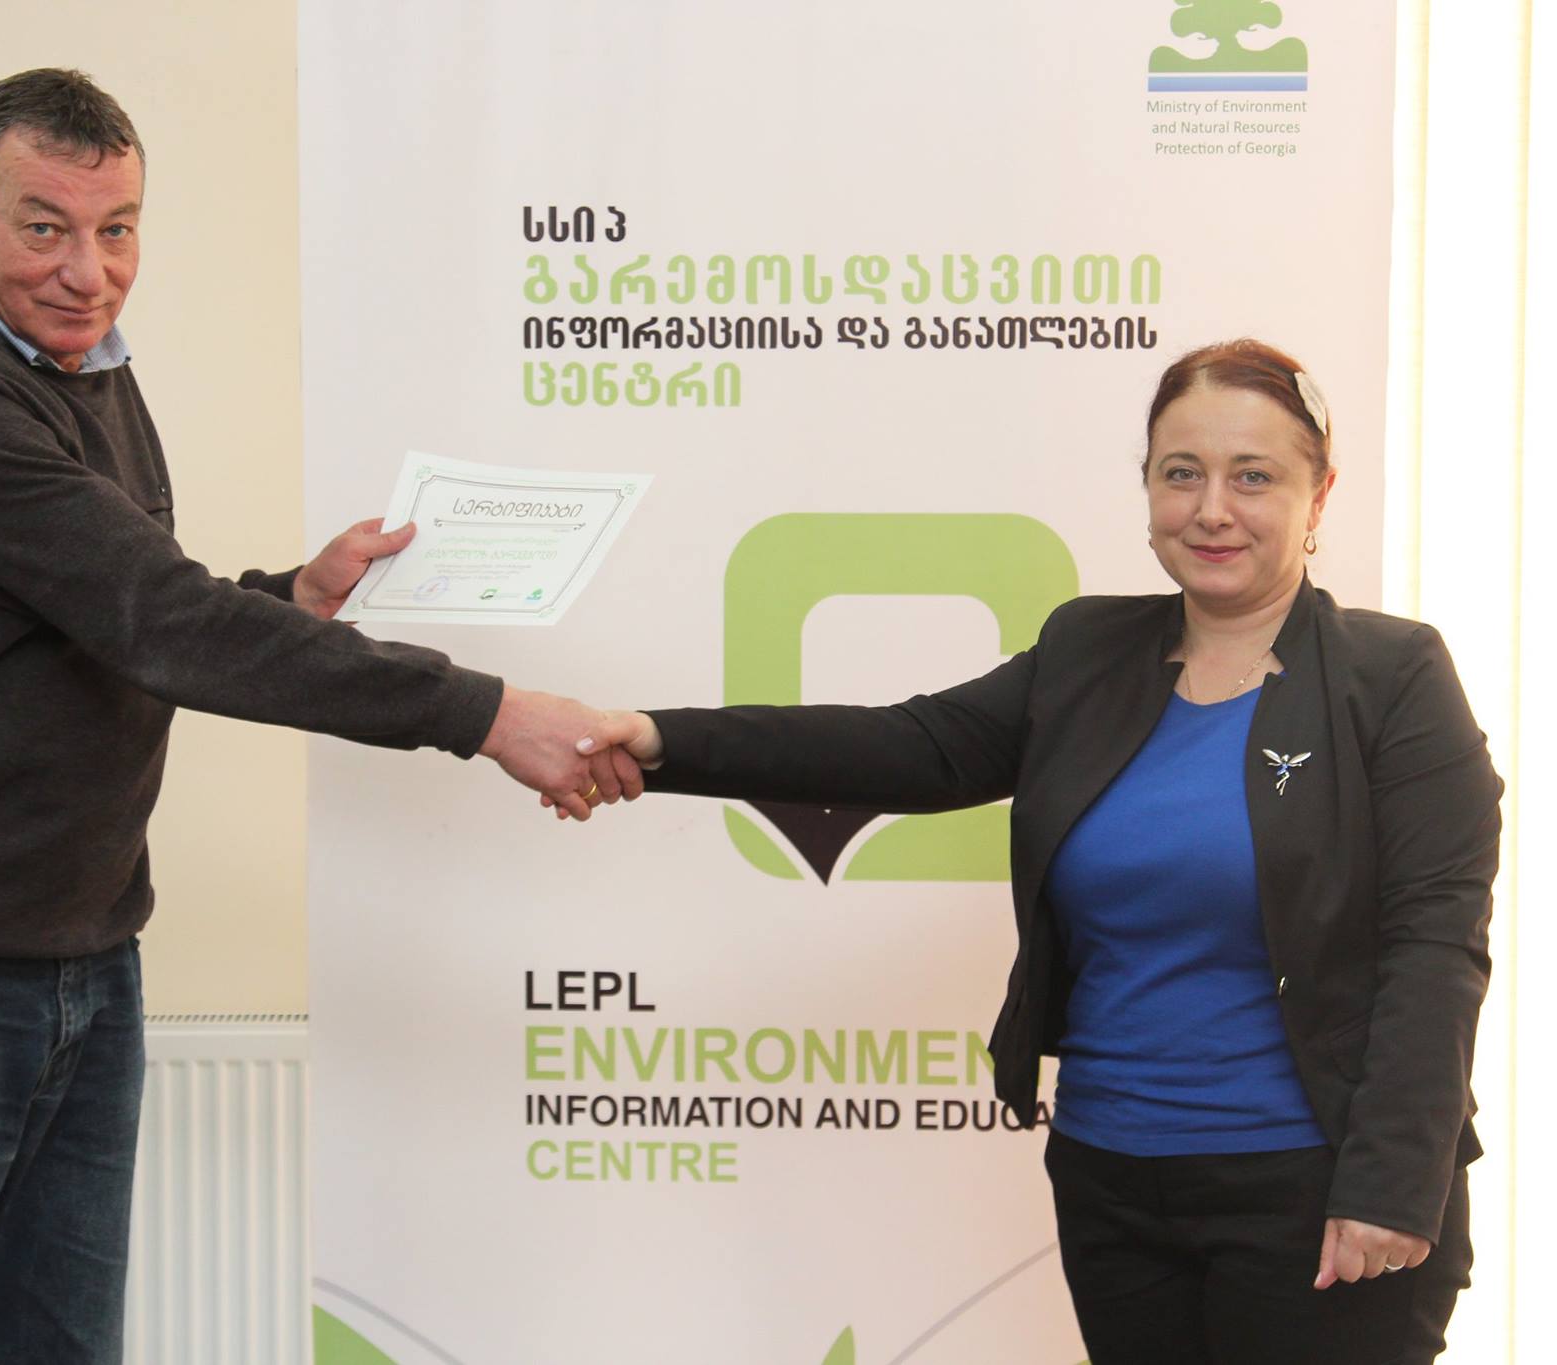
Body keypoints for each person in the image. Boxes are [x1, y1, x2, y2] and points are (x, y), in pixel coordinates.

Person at [0, 68, 627, 1363]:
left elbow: (104, 610)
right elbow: (157, 617)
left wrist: (290, 597)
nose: (89, 271)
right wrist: (489, 714)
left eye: (118, 229)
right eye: (44, 227)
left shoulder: (79, 364)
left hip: (79, 959)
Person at [572, 340, 1499, 1364]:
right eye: (1180, 473)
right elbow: (908, 746)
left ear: (1317, 495)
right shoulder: (1085, 652)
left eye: (1253, 477)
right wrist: (656, 741)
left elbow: (1434, 945)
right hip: (1112, 1179)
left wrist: (1390, 1186)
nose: (1210, 510)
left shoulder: (1392, 677)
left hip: (1314, 1188)